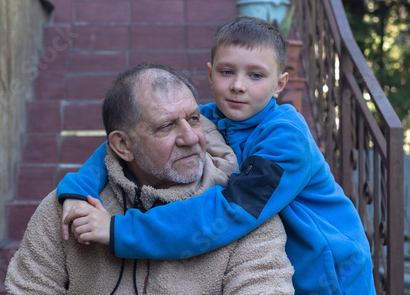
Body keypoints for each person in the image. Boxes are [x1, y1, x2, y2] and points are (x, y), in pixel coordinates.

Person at [56, 16, 376, 294]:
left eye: (255, 75)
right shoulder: (205, 120)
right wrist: (77, 190)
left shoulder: (287, 141)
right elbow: (126, 143)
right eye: (227, 71)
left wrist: (118, 230)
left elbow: (228, 212)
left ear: (280, 84)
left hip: (330, 278)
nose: (237, 86)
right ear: (209, 73)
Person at [5, 63, 295, 294]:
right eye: (166, 126)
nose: (191, 137)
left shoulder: (246, 217)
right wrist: (75, 190)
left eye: (194, 119)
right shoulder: (69, 211)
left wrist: (119, 231)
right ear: (123, 146)